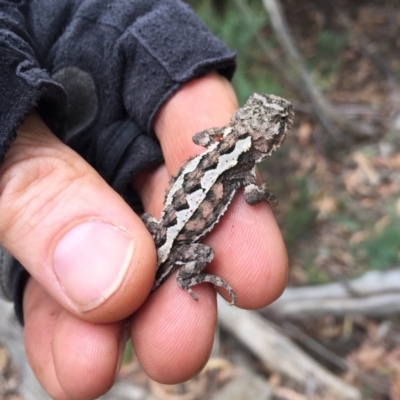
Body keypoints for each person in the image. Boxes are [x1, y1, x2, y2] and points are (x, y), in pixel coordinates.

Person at [0, 0, 288, 398]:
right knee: (204, 258)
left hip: (164, 225)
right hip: (180, 244)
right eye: (277, 121)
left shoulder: (221, 146)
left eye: (275, 120)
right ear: (267, 143)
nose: (279, 121)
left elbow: (201, 139)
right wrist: (268, 193)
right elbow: (253, 196)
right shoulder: (241, 173)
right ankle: (190, 277)